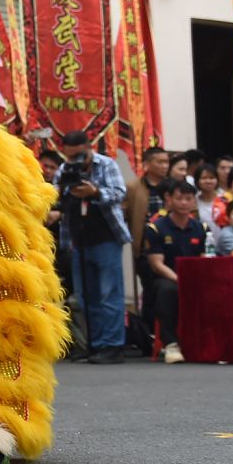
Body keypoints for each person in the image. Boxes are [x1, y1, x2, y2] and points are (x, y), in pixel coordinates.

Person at [54, 131, 129, 365]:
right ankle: (94, 344)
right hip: (78, 240)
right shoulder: (64, 170)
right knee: (87, 297)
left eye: (79, 155)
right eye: (70, 156)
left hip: (106, 237)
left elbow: (119, 194)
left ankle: (112, 345)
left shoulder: (106, 165)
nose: (75, 161)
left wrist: (95, 192)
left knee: (109, 294)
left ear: (89, 146)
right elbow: (56, 196)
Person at [144, 179, 208, 363]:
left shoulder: (201, 228)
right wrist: (180, 279)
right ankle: (170, 343)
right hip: (166, 277)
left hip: (195, 277)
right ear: (169, 199)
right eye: (179, 198)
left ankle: (208, 341)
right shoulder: (156, 228)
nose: (184, 203)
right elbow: (157, 264)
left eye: (189, 198)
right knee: (168, 290)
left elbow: (204, 257)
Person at [38, 147, 85, 361]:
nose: (46, 170)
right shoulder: (31, 189)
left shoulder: (67, 190)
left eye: (51, 167)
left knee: (69, 298)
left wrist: (60, 212)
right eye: (43, 166)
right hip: (39, 253)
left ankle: (71, 342)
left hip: (64, 252)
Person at [124, 145, 169, 257]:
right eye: (160, 162)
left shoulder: (173, 185)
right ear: (146, 164)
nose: (165, 166)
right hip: (145, 242)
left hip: (170, 240)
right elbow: (125, 215)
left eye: (167, 162)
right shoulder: (132, 187)